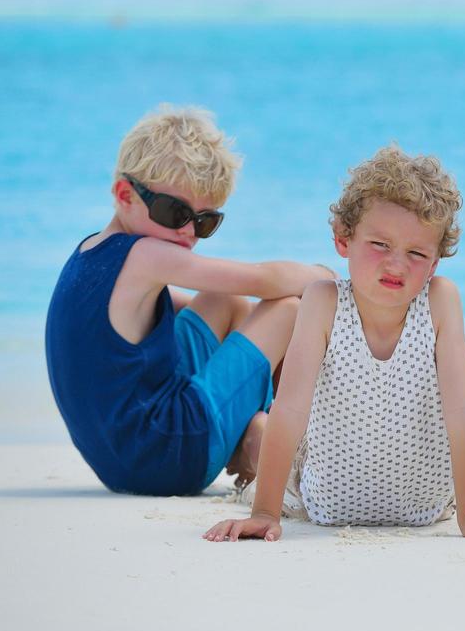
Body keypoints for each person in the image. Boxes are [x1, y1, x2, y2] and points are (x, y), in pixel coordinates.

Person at [204, 146, 465, 541]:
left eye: (416, 253)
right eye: (380, 245)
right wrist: (265, 512)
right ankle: (250, 439)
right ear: (343, 240)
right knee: (270, 439)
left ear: (434, 264)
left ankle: (253, 434)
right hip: (321, 501)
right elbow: (293, 408)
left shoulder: (440, 302)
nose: (396, 264)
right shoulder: (323, 301)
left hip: (425, 507)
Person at [45, 105, 326, 497]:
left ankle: (250, 429)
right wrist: (328, 278)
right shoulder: (146, 255)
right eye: (173, 211)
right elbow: (262, 279)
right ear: (125, 194)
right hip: (170, 454)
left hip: (125, 460)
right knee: (287, 309)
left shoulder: (93, 253)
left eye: (204, 220)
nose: (188, 232)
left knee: (223, 301)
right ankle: (270, 436)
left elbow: (183, 306)